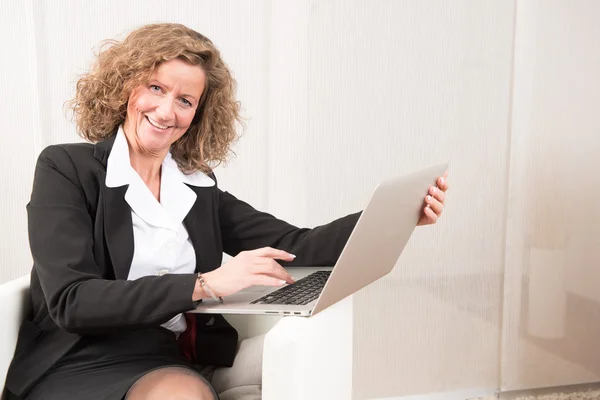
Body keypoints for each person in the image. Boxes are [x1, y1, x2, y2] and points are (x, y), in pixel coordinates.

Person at [4, 23, 449, 400]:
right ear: (125, 87)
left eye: (185, 100)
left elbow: (296, 245)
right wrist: (204, 284)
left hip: (170, 351)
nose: (166, 110)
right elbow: (72, 301)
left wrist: (397, 214)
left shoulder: (195, 186)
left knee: (308, 353)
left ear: (198, 114)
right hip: (81, 356)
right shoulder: (66, 168)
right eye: (155, 88)